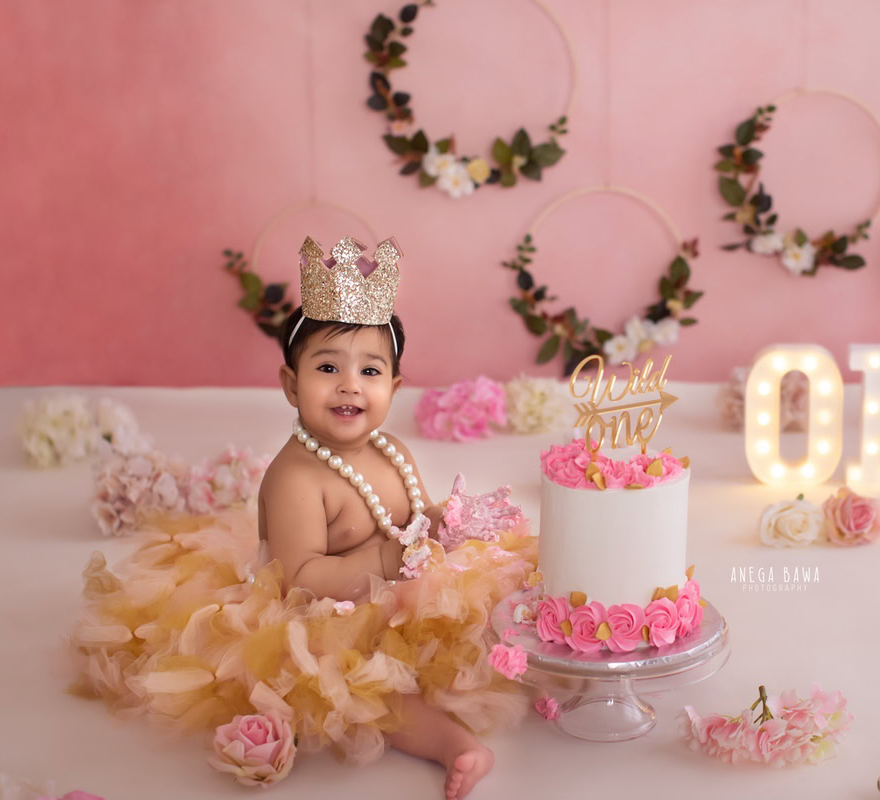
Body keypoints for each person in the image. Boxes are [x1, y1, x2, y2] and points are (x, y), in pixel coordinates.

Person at [70, 235, 535, 798]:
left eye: (370, 370)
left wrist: (447, 521)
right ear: (291, 384)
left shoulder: (392, 451)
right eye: (327, 367)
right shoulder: (297, 478)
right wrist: (390, 559)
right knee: (369, 686)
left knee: (496, 601)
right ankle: (452, 745)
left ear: (394, 386)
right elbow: (298, 578)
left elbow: (414, 514)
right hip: (321, 613)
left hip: (401, 586)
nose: (349, 384)